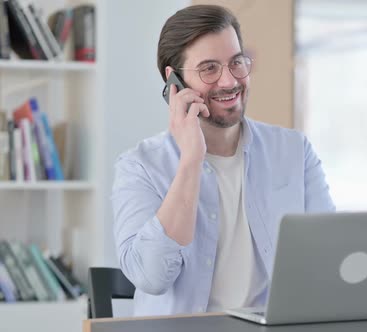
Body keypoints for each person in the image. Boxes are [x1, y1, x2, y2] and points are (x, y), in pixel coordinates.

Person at [111, 4, 335, 316]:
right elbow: (151, 277)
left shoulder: (295, 151)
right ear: (174, 81)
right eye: (209, 68)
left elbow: (329, 258)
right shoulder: (139, 167)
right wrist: (191, 160)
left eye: (236, 63)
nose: (229, 82)